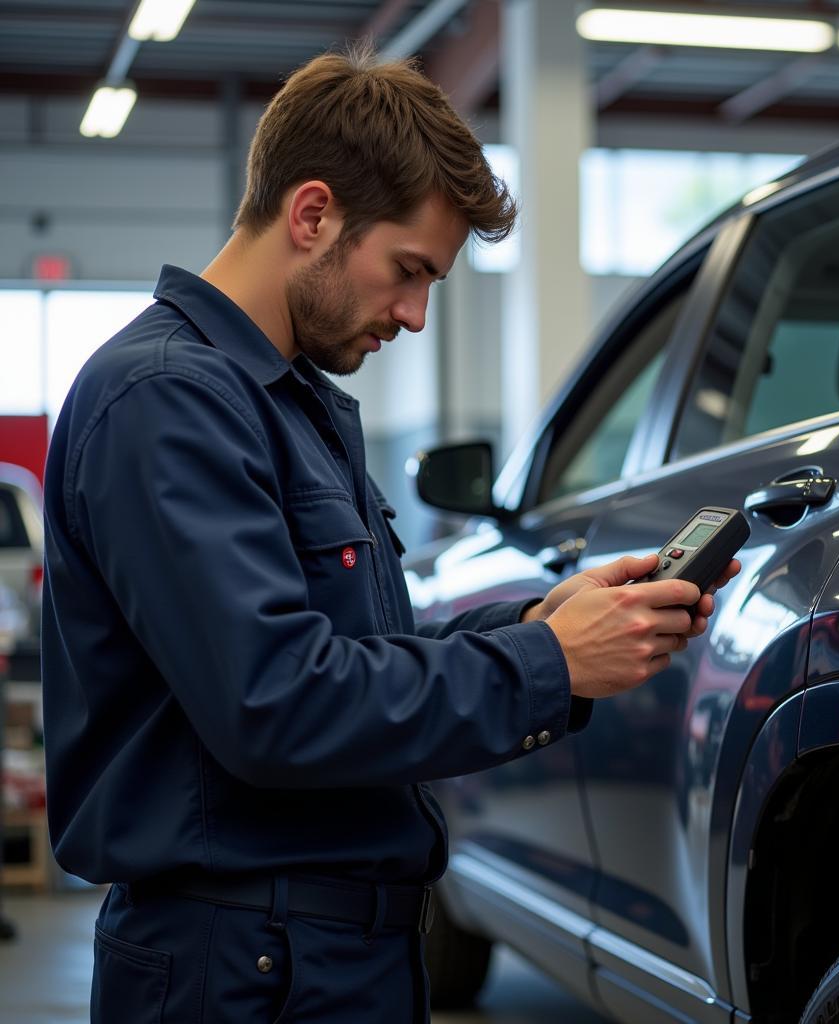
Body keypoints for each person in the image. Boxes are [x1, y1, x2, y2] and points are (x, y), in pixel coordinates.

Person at [41, 46, 740, 1023]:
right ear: (313, 213)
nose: (413, 315)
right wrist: (545, 662)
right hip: (241, 967)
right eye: (407, 271)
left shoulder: (292, 408)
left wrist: (537, 624)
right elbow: (276, 701)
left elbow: (358, 663)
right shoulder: (168, 400)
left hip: (318, 957)